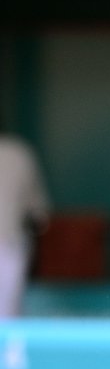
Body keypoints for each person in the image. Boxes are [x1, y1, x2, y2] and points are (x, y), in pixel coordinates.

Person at [0, 132, 51, 317]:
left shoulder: (18, 153)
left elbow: (39, 214)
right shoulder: (19, 153)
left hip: (9, 244)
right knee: (7, 315)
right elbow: (39, 213)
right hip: (10, 245)